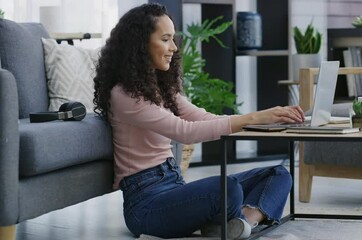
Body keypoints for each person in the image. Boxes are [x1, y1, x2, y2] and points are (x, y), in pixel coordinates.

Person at [93, 3, 305, 239]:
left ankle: (241, 223)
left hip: (174, 185)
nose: (174, 47)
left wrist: (266, 119)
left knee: (278, 174)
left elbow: (205, 118)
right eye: (165, 39)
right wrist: (255, 117)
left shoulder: (161, 89)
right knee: (227, 189)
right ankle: (236, 222)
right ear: (139, 45)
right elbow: (185, 132)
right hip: (146, 205)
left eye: (173, 39)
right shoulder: (124, 94)